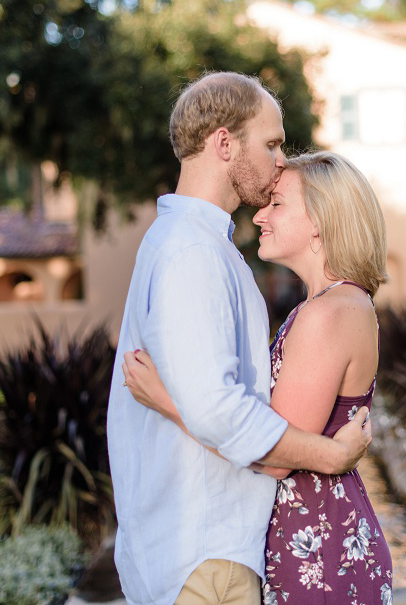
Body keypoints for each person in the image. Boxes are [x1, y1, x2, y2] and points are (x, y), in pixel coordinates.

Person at [106, 73, 373, 605]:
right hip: (206, 552)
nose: (280, 161)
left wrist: (169, 400)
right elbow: (218, 411)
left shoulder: (202, 247)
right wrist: (330, 456)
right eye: (271, 143)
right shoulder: (194, 252)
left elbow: (214, 408)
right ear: (224, 143)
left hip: (216, 550)